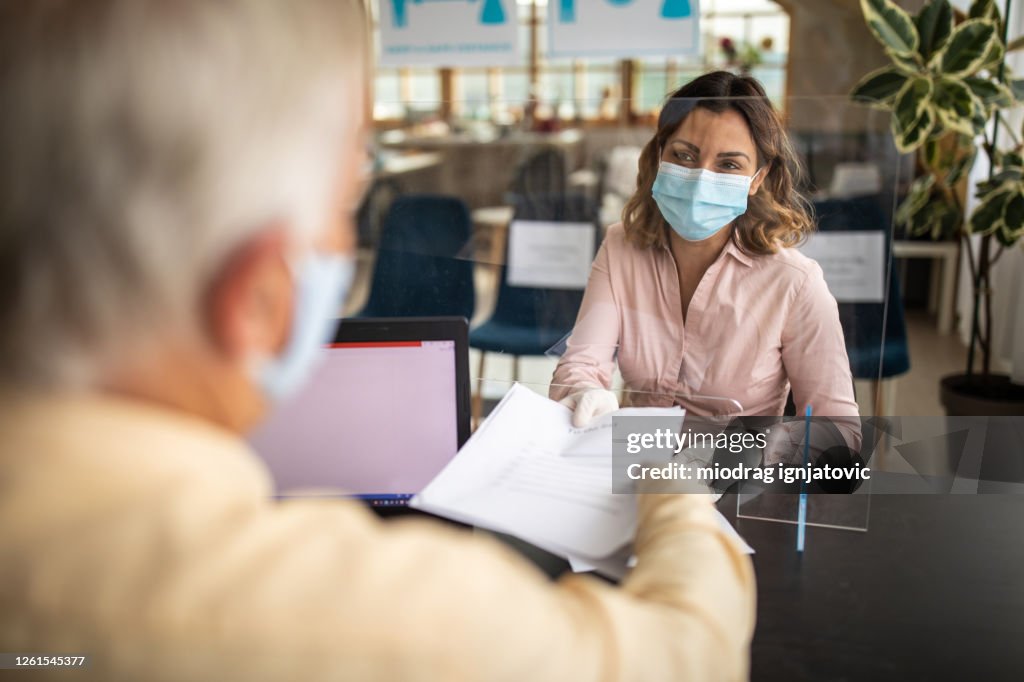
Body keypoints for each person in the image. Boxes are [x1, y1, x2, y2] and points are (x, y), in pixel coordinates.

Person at [0, 3, 754, 680]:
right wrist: (674, 479)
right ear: (259, 295)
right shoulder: (392, 620)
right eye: (344, 213)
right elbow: (690, 652)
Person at [552, 72, 861, 460]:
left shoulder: (795, 283)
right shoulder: (621, 247)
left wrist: (752, 452)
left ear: (757, 178)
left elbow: (840, 436)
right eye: (684, 155)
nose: (701, 180)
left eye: (729, 164)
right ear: (660, 154)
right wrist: (584, 392)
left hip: (734, 490)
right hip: (633, 471)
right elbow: (581, 363)